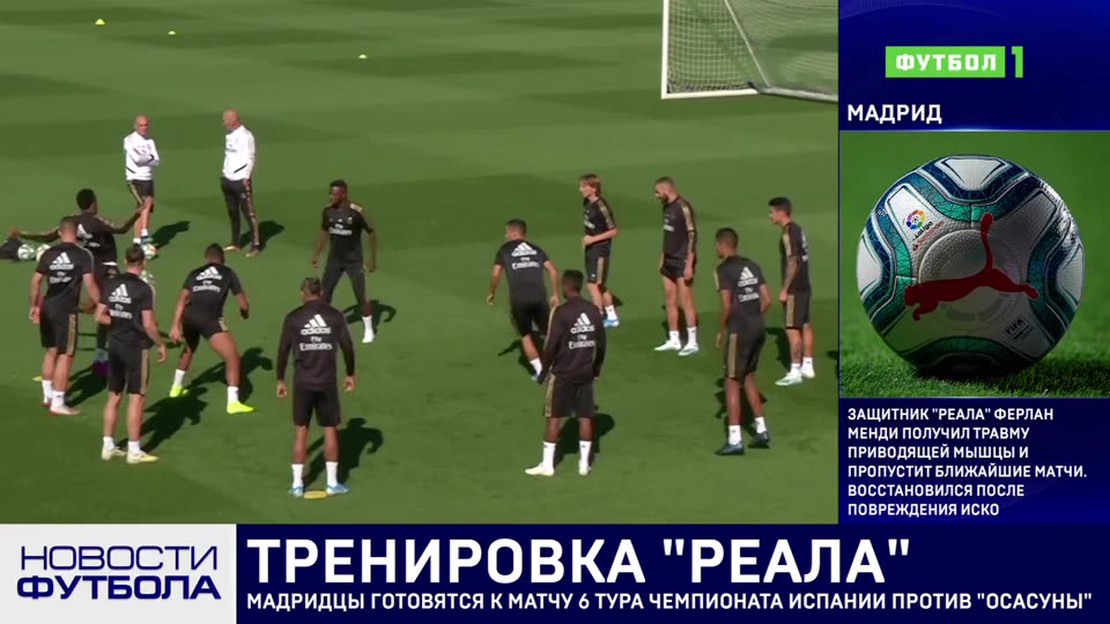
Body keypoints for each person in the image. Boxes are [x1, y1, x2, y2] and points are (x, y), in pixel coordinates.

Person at [12, 189, 142, 377]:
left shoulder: (73, 222)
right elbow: (121, 227)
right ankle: (105, 357)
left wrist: (23, 234)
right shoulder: (96, 220)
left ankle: (91, 352)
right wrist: (137, 214)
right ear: (93, 203)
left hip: (89, 268)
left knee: (99, 308)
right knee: (111, 310)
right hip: (107, 270)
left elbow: (47, 235)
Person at [276, 278, 356, 497]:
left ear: (303, 293)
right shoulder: (334, 316)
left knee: (301, 431)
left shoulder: (293, 318)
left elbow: (283, 350)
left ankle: (296, 485)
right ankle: (332, 483)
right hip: (327, 382)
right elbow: (348, 347)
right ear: (321, 291)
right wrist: (350, 373)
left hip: (303, 382)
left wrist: (280, 379)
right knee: (330, 429)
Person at [525, 270, 606, 477]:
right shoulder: (593, 310)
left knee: (554, 416)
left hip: (562, 373)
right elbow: (602, 343)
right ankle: (584, 464)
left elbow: (551, 346)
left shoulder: (562, 312)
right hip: (585, 372)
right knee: (585, 416)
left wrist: (543, 372)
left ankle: (547, 465)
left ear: (566, 286)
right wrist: (596, 368)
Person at [96, 244, 167, 464]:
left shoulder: (110, 284)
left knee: (114, 396)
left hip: (115, 345)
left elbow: (99, 316)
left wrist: (117, 321)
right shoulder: (143, 289)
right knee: (137, 397)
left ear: (126, 261)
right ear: (143, 262)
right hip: (136, 347)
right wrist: (161, 344)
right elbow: (148, 324)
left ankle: (108, 446)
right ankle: (134, 450)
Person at [167, 244, 255, 414]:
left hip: (189, 316)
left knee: (189, 348)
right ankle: (233, 402)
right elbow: (243, 304)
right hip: (209, 319)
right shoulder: (228, 272)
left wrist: (175, 326)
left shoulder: (195, 273)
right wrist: (244, 312)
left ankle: (175, 388)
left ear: (207, 258)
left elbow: (182, 299)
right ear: (223, 258)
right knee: (232, 357)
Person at [29, 217, 100, 415]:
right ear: (76, 233)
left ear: (60, 233)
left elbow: (35, 282)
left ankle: (47, 395)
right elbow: (90, 284)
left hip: (48, 307)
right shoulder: (83, 255)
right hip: (66, 310)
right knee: (66, 355)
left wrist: (35, 306)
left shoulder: (48, 253)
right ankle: (58, 402)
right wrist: (102, 305)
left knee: (51, 351)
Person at [713, 228, 771, 455]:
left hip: (739, 330)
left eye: (716, 245)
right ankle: (761, 429)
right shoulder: (753, 265)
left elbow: (727, 305)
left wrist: (721, 331)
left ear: (722, 245)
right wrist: (754, 317)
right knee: (747, 377)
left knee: (730, 380)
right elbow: (767, 299)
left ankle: (735, 438)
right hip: (758, 328)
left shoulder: (723, 270)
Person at [487, 219, 560, 381]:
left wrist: (492, 292)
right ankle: (557, 365)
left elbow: (496, 274)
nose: (505, 235)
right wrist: (555, 294)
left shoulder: (505, 250)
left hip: (519, 300)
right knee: (548, 333)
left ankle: (541, 372)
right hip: (539, 297)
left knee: (525, 335)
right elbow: (553, 271)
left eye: (507, 232)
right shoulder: (536, 249)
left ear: (513, 233)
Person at [310, 180, 377, 344]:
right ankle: (324, 326)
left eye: (334, 194)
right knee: (325, 294)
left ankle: (369, 329)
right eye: (330, 193)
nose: (330, 196)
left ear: (343, 194)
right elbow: (324, 231)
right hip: (334, 260)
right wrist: (317, 253)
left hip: (353, 261)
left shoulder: (356, 212)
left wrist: (372, 258)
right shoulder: (328, 212)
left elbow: (371, 232)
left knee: (360, 295)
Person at [768, 197, 815, 386]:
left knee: (791, 328)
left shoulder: (788, 233)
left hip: (794, 289)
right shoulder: (798, 229)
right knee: (805, 324)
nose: (770, 215)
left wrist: (785, 289)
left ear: (781, 212)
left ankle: (795, 370)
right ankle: (808, 365)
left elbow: (793, 261)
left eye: (772, 212)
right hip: (805, 285)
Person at [653, 176, 699, 356]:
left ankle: (692, 342)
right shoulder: (666, 207)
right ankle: (674, 339)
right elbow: (668, 235)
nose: (656, 195)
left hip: (682, 260)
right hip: (669, 260)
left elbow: (692, 235)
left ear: (666, 189)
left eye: (657, 192)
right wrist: (663, 255)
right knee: (669, 299)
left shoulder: (683, 207)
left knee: (685, 301)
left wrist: (689, 263)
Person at [579, 173, 620, 328]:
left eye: (584, 186)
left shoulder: (602, 207)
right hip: (591, 250)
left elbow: (614, 231)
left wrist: (592, 239)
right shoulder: (587, 203)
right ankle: (612, 317)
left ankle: (598, 318)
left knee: (593, 285)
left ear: (594, 188)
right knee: (599, 285)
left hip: (600, 251)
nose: (580, 189)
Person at [220, 109, 260, 256]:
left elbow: (251, 157)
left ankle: (256, 245)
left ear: (233, 120)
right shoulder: (229, 135)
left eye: (225, 120)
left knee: (249, 213)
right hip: (227, 179)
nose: (223, 123)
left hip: (241, 180)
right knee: (233, 212)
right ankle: (235, 242)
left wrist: (246, 177)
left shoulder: (246, 136)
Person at [123, 115, 161, 248]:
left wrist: (146, 158)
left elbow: (157, 161)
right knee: (145, 204)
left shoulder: (150, 141)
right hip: (135, 178)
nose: (143, 128)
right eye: (141, 125)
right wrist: (149, 157)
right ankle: (144, 234)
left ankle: (137, 241)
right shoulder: (129, 140)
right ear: (135, 126)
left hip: (148, 178)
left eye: (145, 125)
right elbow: (137, 159)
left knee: (144, 211)